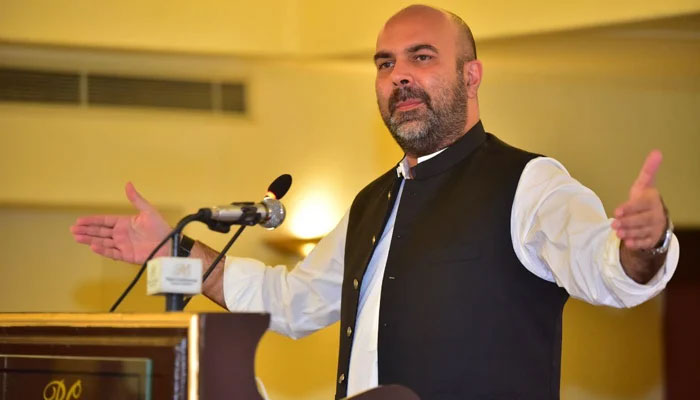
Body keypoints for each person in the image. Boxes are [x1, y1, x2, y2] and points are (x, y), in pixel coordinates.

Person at [70, 5, 679, 399]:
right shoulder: (370, 204)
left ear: (472, 75)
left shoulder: (529, 182)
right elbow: (291, 302)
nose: (399, 77)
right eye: (386, 64)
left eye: (422, 58)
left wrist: (643, 247)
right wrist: (173, 249)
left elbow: (609, 273)